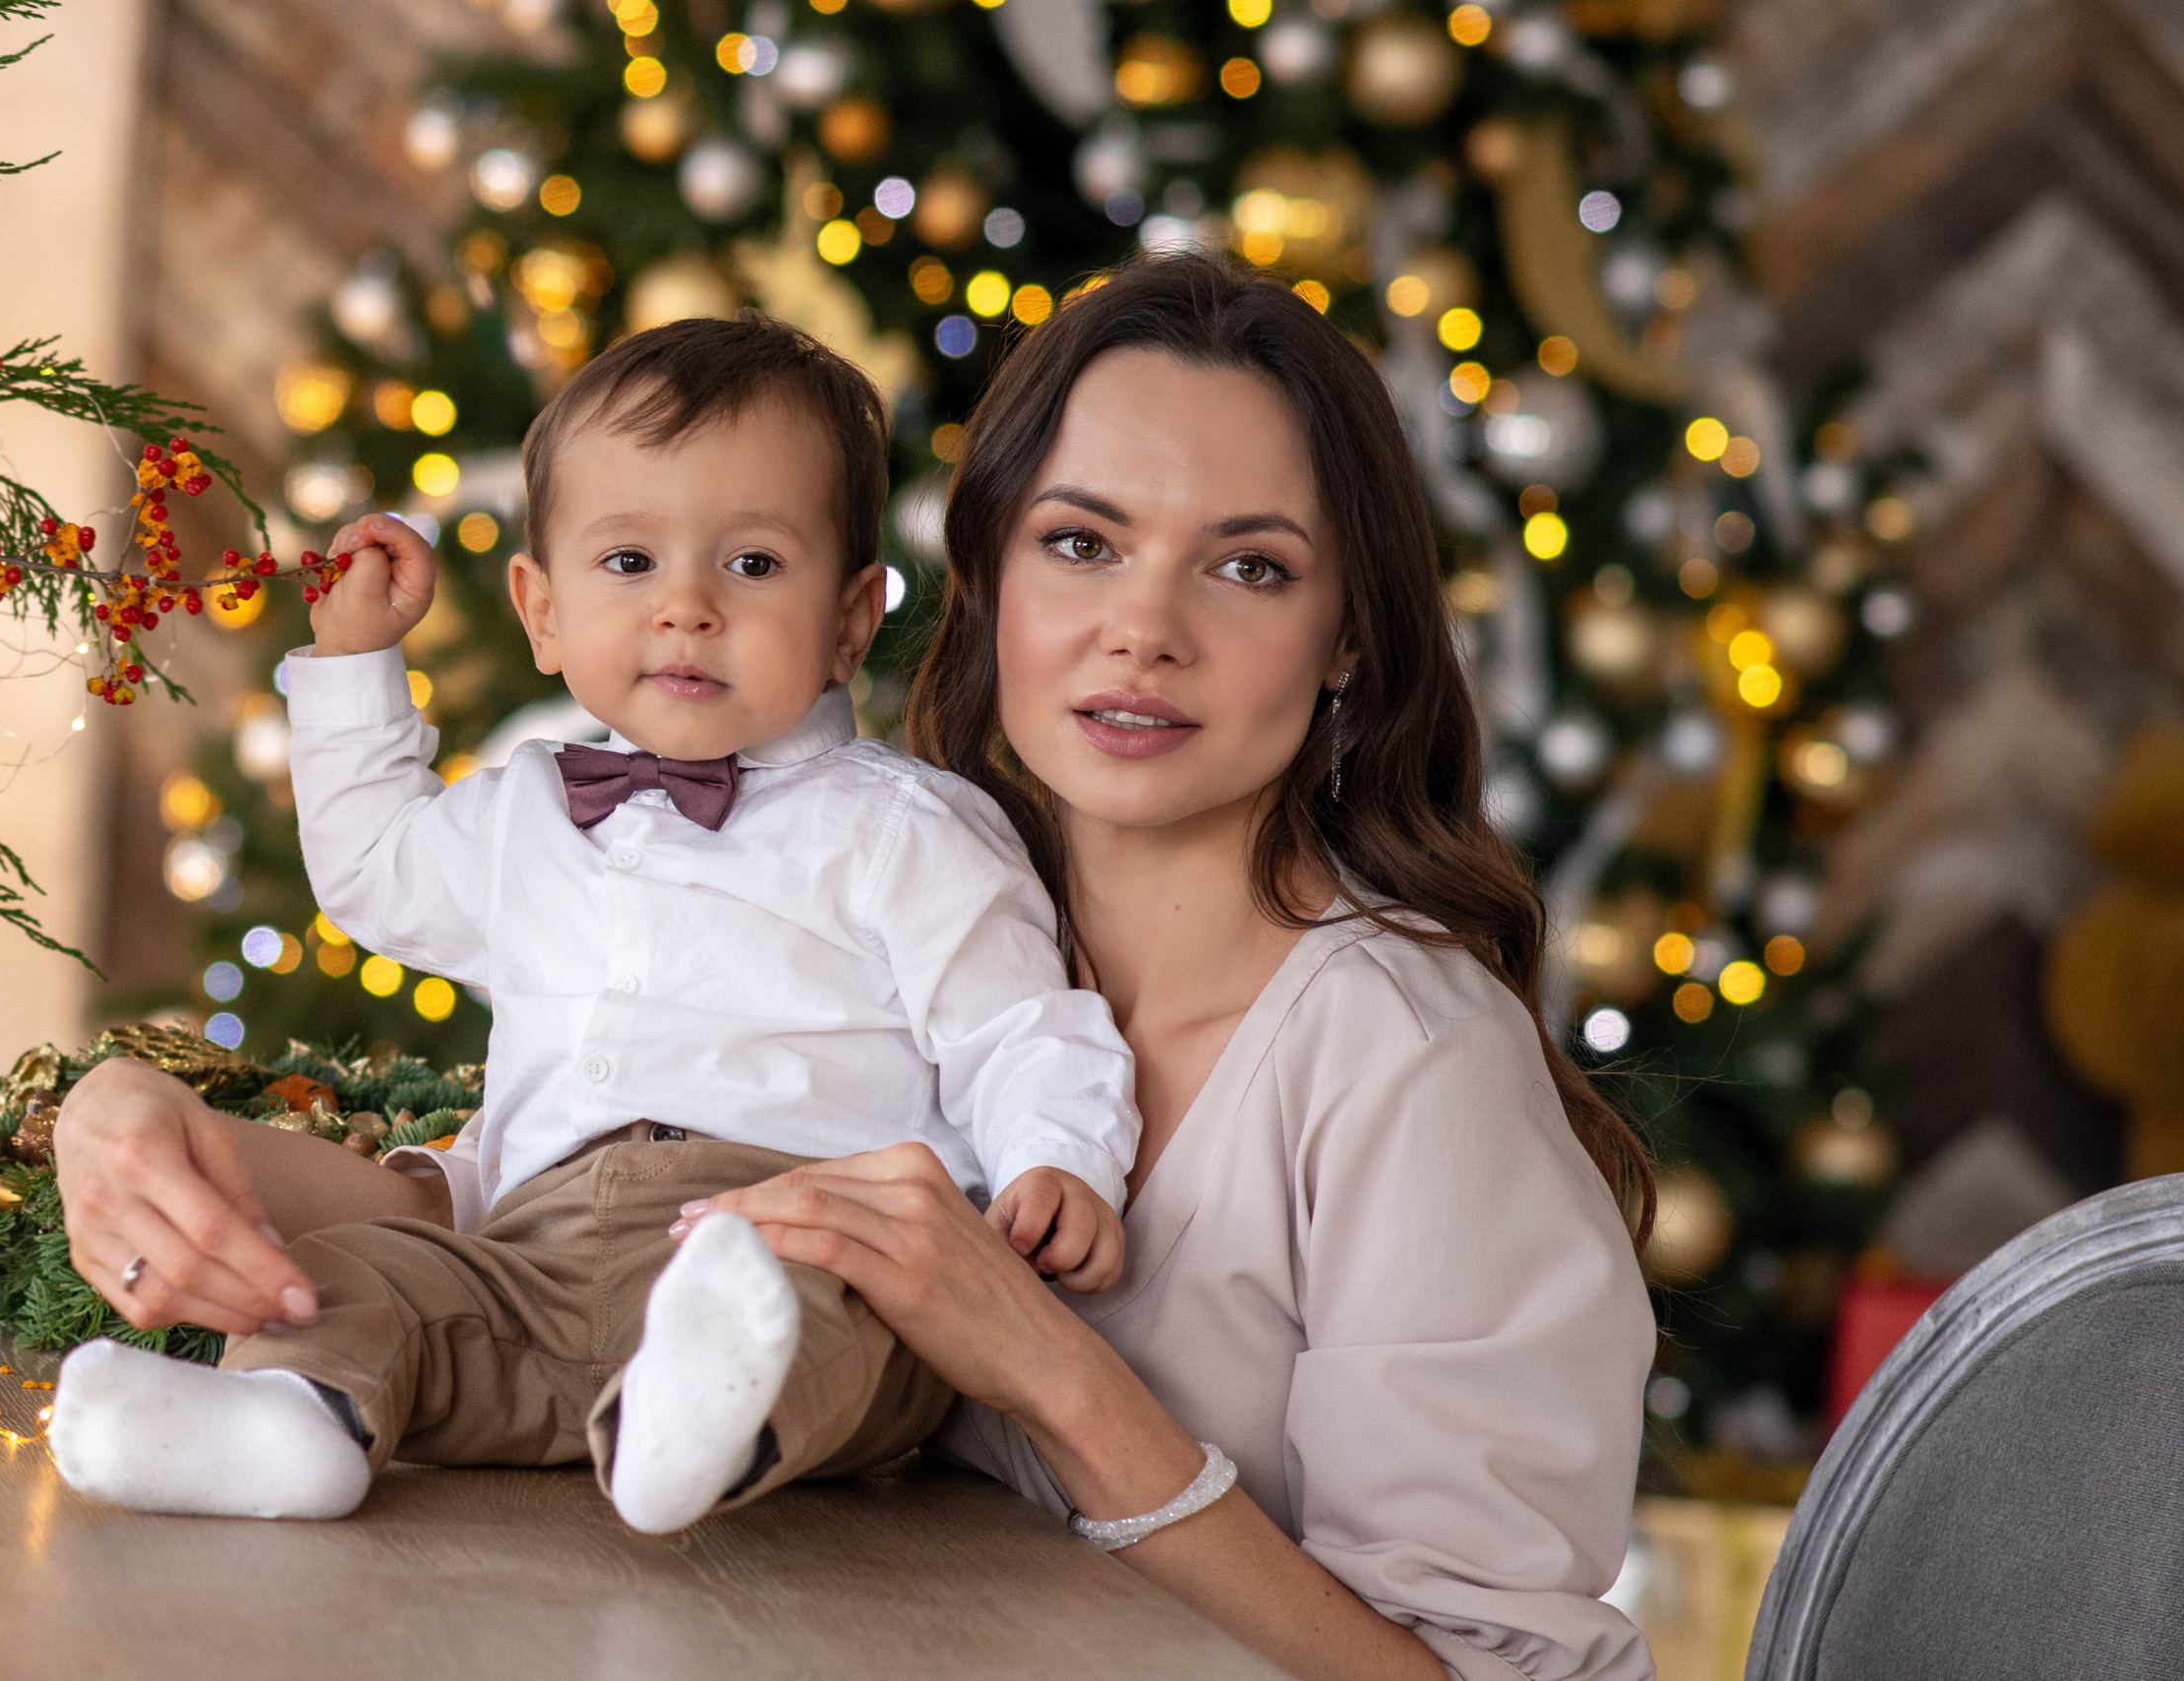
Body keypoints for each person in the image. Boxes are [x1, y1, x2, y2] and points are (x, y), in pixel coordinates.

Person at [676, 256, 1660, 1681]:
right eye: (1082, 542)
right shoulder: (878, 927)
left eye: (1248, 566)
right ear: (992, 568)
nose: (1145, 629)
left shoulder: (1410, 1063)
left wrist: (1055, 1370)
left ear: (1350, 644)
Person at [45, 314, 1139, 1534]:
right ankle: (294, 1422)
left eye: (754, 565)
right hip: (532, 1252)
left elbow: (1022, 1025)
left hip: (797, 1223)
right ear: (540, 608)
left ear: (849, 618)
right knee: (359, 1275)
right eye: (629, 564)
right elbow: (373, 873)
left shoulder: (908, 829)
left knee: (822, 1305)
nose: (686, 609)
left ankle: (697, 1420)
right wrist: (353, 663)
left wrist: (1061, 1158)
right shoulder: (526, 806)